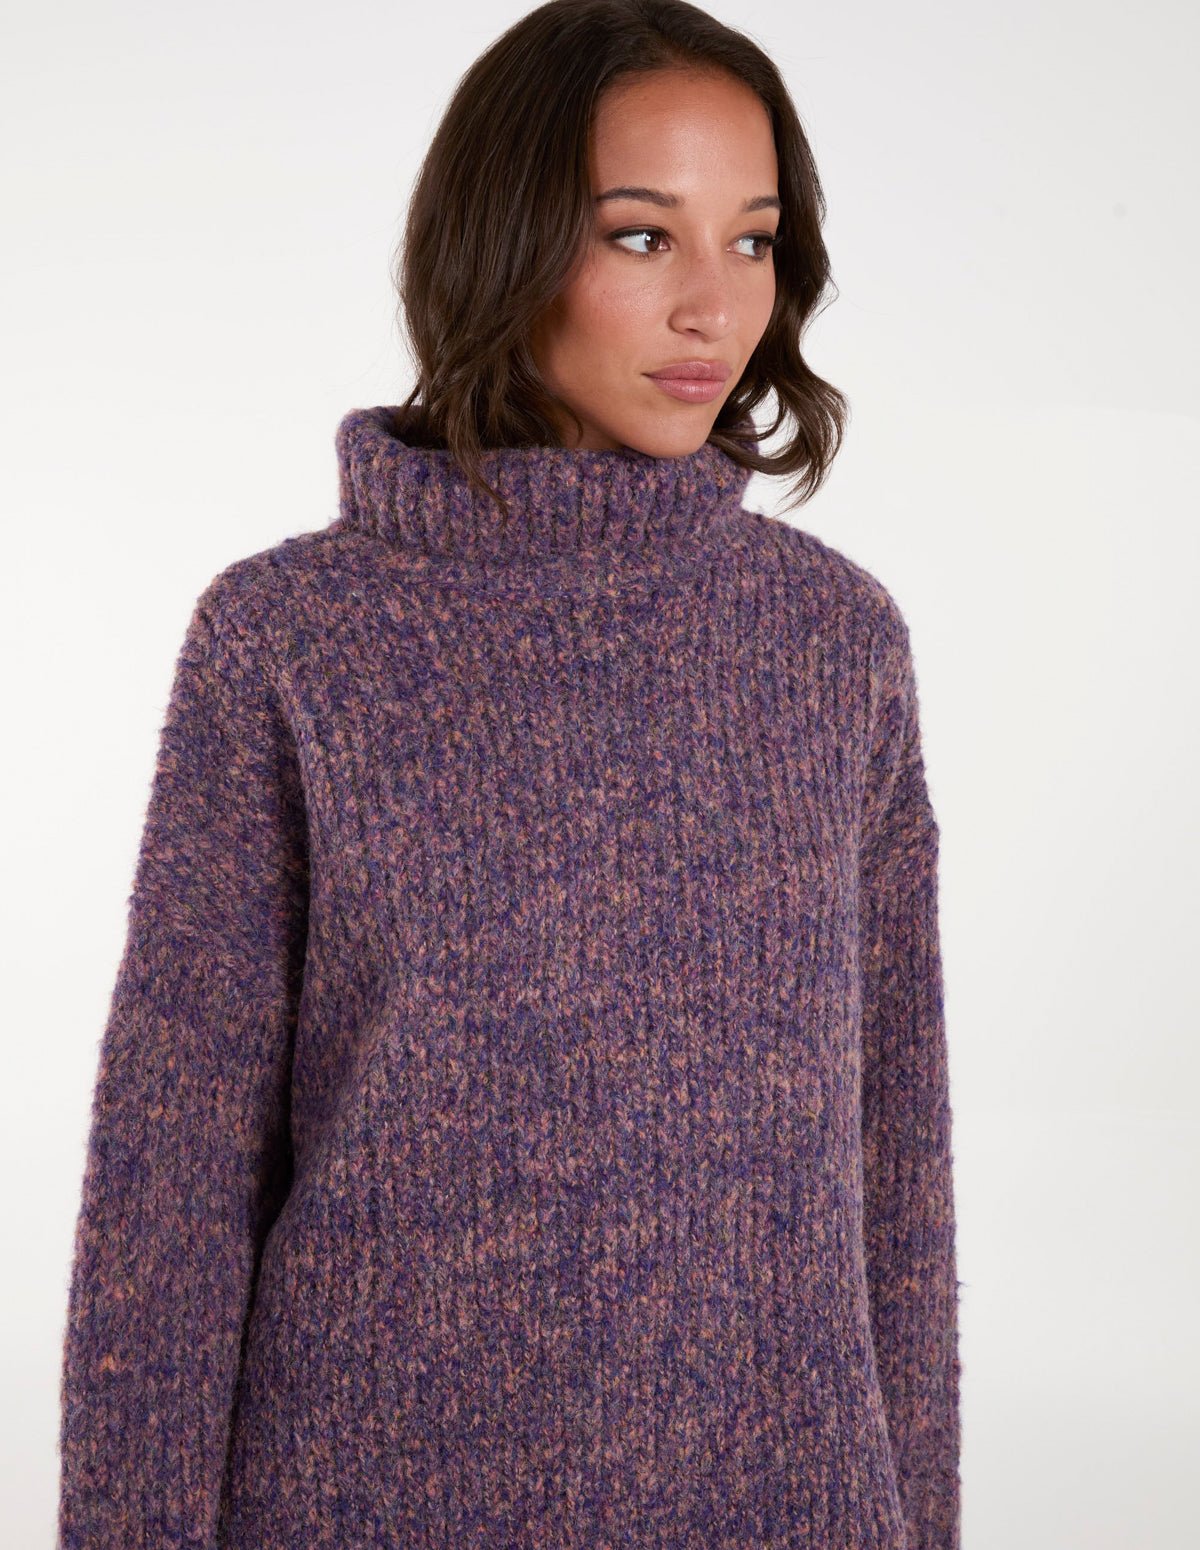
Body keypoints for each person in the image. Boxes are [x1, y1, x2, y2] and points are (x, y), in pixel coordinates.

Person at [56, 2, 962, 1546]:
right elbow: (171, 1195)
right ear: (502, 242)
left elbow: (898, 1182)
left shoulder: (834, 644)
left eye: (753, 241)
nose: (714, 306)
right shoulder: (291, 641)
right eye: (640, 235)